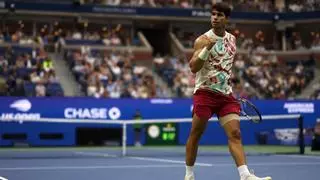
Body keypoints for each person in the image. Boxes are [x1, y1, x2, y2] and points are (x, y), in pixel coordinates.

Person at [185, 3, 272, 180]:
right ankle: (189, 175)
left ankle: (245, 175)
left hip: (226, 95)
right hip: (205, 93)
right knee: (196, 134)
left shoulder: (232, 39)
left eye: (219, 15)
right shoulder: (202, 40)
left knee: (235, 134)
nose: (215, 17)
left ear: (227, 19)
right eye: (213, 14)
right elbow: (193, 67)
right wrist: (207, 49)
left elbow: (224, 66)